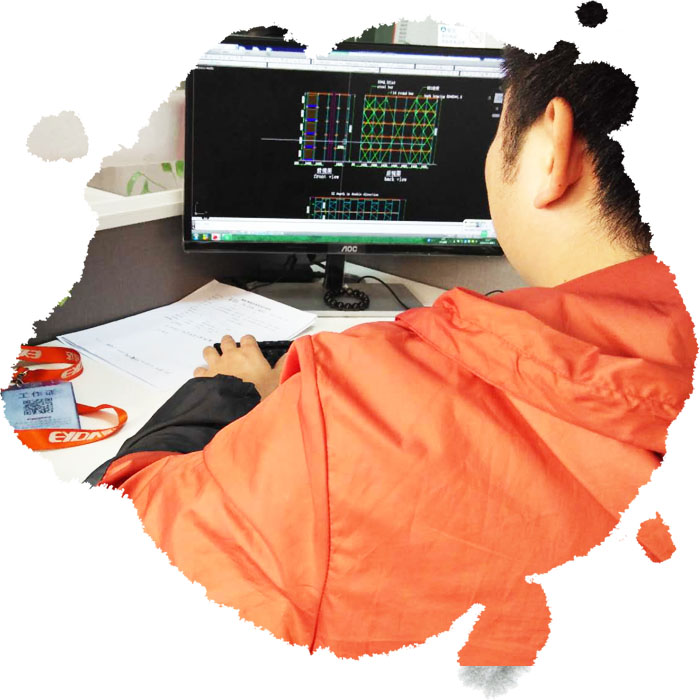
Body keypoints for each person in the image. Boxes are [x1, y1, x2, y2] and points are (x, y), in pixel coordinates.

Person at [86, 41, 696, 666]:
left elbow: (114, 551)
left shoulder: (355, 408)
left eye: (497, 125)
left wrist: (229, 392)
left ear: (551, 151)